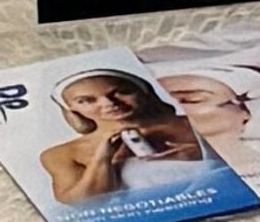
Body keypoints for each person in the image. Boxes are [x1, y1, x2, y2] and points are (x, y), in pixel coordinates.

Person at [39, 68, 211, 204]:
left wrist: (204, 152)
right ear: (71, 109)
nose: (110, 104)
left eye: (121, 92)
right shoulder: (61, 154)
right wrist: (102, 160)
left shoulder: (198, 123)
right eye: (87, 100)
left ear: (143, 92)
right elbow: (83, 205)